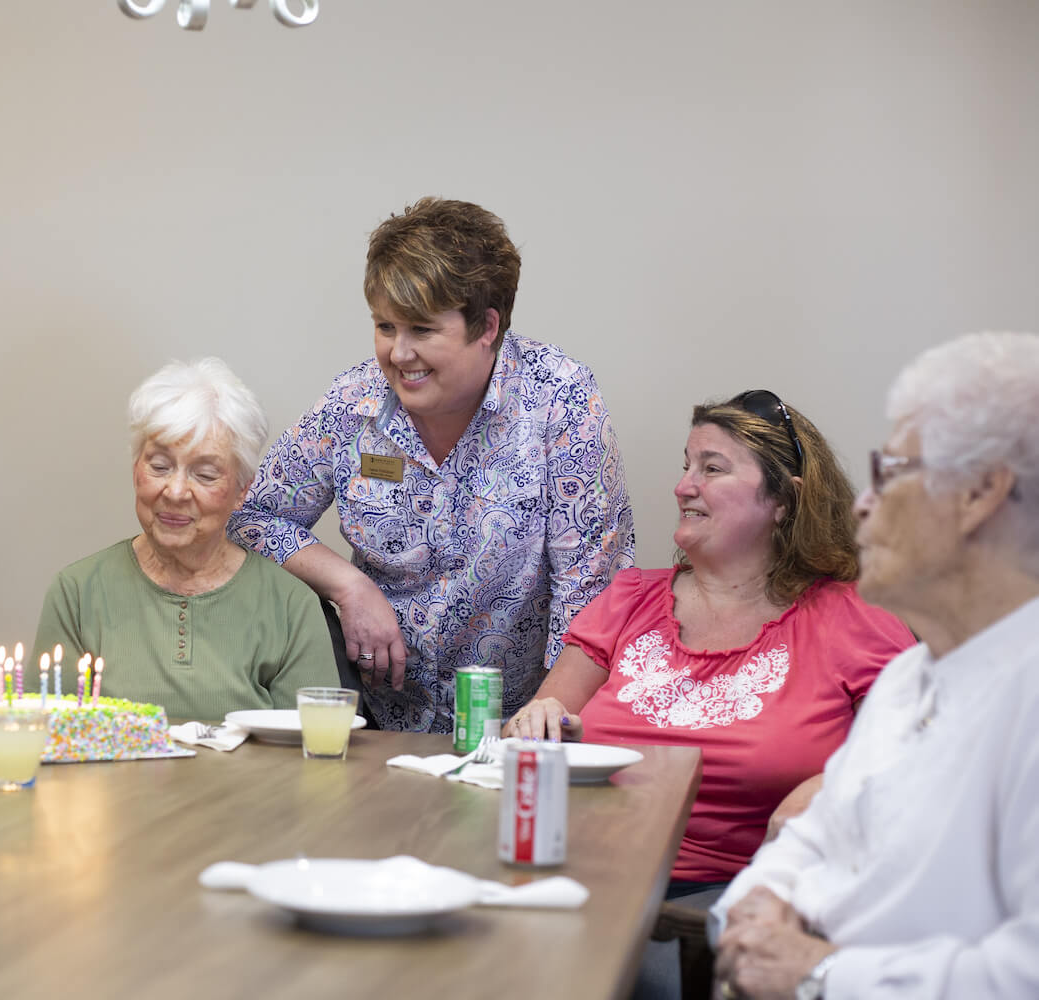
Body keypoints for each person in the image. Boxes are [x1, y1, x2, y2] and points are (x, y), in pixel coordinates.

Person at [711, 333, 1039, 1000]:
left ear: (979, 493)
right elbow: (812, 840)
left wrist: (816, 974)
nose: (863, 502)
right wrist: (759, 907)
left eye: (890, 473)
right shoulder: (909, 676)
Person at [228, 197, 634, 732]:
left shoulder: (561, 401)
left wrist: (541, 724)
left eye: (421, 330)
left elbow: (592, 602)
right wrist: (350, 586)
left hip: (517, 731)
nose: (398, 354)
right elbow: (251, 516)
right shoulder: (353, 404)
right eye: (385, 327)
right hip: (374, 726)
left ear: (486, 326)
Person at [506, 392, 913, 915]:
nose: (683, 486)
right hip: (578, 878)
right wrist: (539, 720)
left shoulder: (855, 617)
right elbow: (539, 733)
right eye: (686, 466)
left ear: (784, 500)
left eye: (712, 469)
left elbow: (920, 762)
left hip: (731, 903)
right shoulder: (629, 598)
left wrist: (835, 789)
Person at [35, 357, 337, 723]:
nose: (176, 491)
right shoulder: (77, 594)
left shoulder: (292, 607)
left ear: (242, 491)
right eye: (159, 466)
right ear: (135, 472)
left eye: (205, 474)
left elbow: (314, 761)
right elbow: (48, 740)